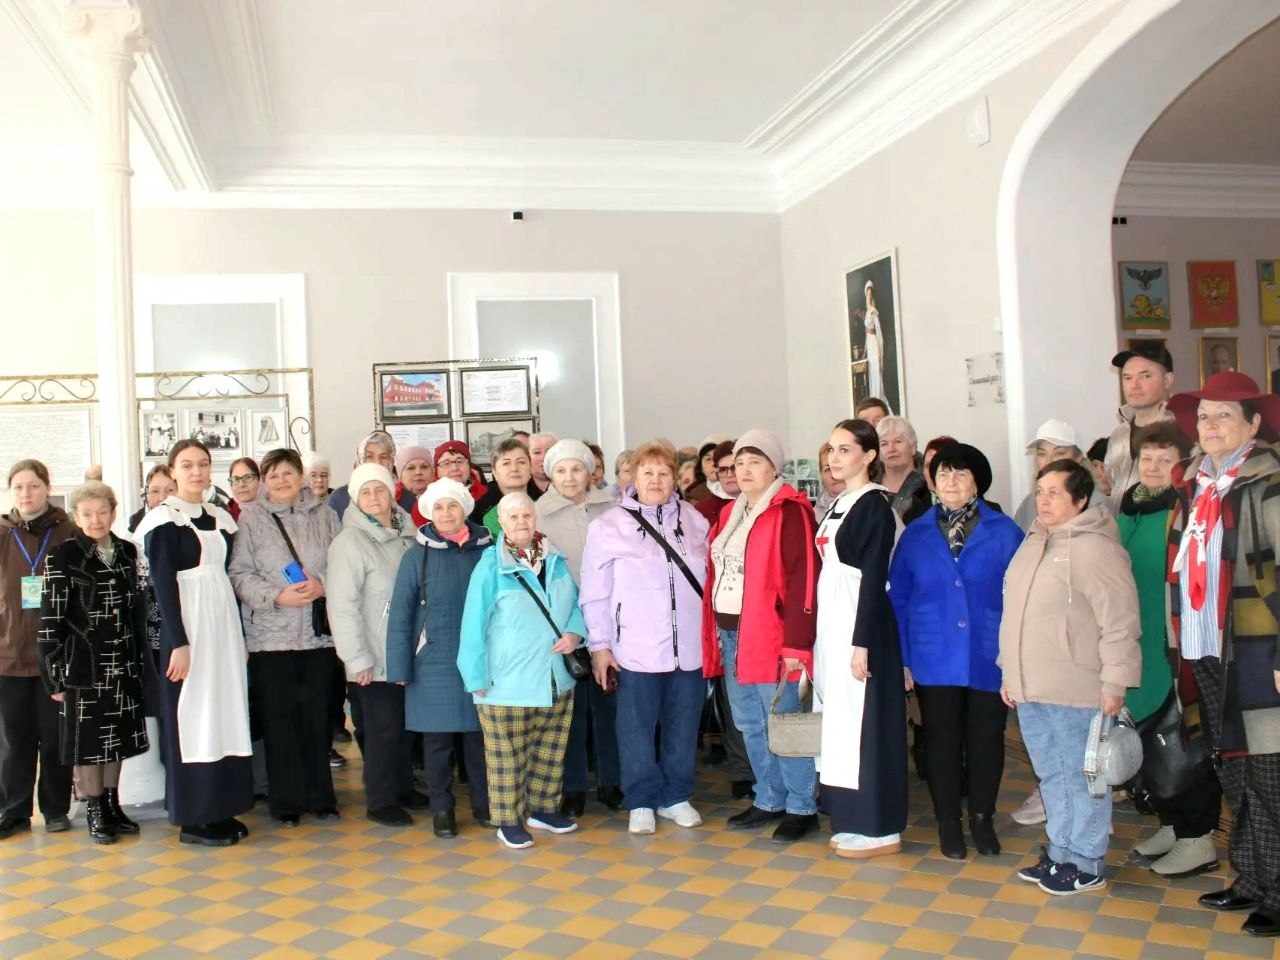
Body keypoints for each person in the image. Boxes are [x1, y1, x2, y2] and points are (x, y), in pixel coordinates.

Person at [1167, 372, 1280, 935]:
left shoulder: (1268, 482)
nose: (1210, 425)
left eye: (1225, 415)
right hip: (1204, 645)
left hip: (1257, 648)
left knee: (1270, 775)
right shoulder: (1194, 486)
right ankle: (1253, 878)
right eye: (1204, 415)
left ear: (1253, 424)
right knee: (1232, 769)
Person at [1000, 458, 1141, 896]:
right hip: (1032, 685)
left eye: (1055, 493)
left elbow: (1120, 622)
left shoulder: (1097, 549)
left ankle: (1086, 861)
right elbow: (1014, 616)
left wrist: (1115, 683)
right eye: (1040, 491)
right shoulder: (1033, 543)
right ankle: (1062, 851)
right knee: (1052, 775)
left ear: (1080, 500)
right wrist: (1009, 672)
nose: (1044, 501)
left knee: (1084, 778)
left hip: (1078, 688)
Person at [889, 442, 1023, 859]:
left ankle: (982, 818)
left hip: (988, 652)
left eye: (960, 473)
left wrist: (1016, 658)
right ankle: (948, 821)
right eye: (943, 473)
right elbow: (899, 597)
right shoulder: (916, 533)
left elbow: (1021, 598)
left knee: (986, 738)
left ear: (976, 483)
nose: (950, 481)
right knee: (941, 740)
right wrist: (904, 659)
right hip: (933, 654)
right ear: (932, 482)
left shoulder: (1005, 532)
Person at [579, 441, 708, 834]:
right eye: (647, 472)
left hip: (689, 648)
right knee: (635, 728)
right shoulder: (607, 526)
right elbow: (595, 592)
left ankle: (675, 795)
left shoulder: (695, 520)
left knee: (683, 725)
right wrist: (600, 646)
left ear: (676, 479)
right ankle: (640, 799)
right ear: (633, 477)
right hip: (634, 648)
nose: (656, 480)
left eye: (664, 473)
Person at [135, 440, 254, 847]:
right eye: (187, 465)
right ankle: (194, 817)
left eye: (203, 464)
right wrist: (178, 643)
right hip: (189, 627)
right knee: (194, 716)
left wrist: (240, 636)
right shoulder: (162, 521)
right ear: (172, 471)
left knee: (225, 710)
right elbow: (163, 586)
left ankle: (222, 806)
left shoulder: (221, 518)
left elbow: (229, 578)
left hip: (222, 625)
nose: (197, 472)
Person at [703, 430, 820, 844]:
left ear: (774, 468)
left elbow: (804, 578)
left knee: (783, 721)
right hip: (731, 632)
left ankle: (802, 805)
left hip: (770, 634)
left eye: (755, 462)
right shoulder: (732, 511)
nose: (745, 470)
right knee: (750, 723)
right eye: (739, 463)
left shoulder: (790, 511)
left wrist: (797, 642)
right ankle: (768, 796)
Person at [1117, 422, 1219, 878]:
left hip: (1171, 646)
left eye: (1165, 459)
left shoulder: (1187, 509)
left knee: (1180, 743)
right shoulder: (1130, 506)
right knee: (1150, 744)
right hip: (1133, 645)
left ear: (1184, 463)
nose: (1154, 467)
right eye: (1147, 459)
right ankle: (1173, 826)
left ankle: (1198, 839)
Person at [457, 493, 585, 849]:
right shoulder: (490, 566)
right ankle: (508, 821)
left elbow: (577, 605)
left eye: (527, 515)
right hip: (505, 680)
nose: (521, 522)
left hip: (554, 676)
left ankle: (543, 810)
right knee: (507, 758)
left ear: (535, 518)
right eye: (512, 517)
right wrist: (474, 676)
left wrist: (575, 633)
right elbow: (472, 624)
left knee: (550, 750)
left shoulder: (556, 559)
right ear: (501, 523)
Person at [228, 448, 342, 827]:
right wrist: (277, 596)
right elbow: (240, 574)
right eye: (273, 475)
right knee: (280, 723)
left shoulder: (325, 514)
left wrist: (322, 585)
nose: (281, 481)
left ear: (301, 477)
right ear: (264, 481)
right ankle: (286, 802)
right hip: (270, 638)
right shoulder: (251, 518)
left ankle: (321, 798)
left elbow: (344, 563)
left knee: (318, 720)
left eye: (288, 473)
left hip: (318, 636)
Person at [811, 420, 908, 859]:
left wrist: (861, 642)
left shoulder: (874, 506)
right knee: (840, 723)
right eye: (831, 449)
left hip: (861, 628)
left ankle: (879, 826)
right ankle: (852, 817)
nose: (835, 457)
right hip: (834, 625)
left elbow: (873, 579)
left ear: (869, 456)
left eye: (845, 449)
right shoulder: (840, 501)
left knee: (866, 726)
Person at [38, 482, 149, 844]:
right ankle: (95, 809)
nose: (96, 520)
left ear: (114, 512)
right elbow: (50, 620)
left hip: (123, 659)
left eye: (102, 512)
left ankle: (114, 805)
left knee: (117, 736)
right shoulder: (62, 556)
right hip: (83, 663)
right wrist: (53, 676)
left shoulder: (127, 552)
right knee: (88, 741)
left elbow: (136, 609)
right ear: (76, 517)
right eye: (87, 514)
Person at [387, 478, 493, 838]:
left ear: (465, 508)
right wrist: (399, 666)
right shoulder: (416, 556)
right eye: (439, 507)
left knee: (479, 739)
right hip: (432, 662)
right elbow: (400, 615)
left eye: (452, 505)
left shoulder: (489, 551)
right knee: (437, 743)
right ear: (429, 513)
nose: (446, 513)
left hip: (481, 659)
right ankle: (442, 810)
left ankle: (483, 804)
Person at [327, 463, 420, 827]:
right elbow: (342, 604)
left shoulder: (408, 532)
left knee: (404, 725)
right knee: (382, 730)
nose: (373, 497)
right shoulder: (349, 542)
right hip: (374, 653)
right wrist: (355, 658)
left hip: (407, 650)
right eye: (365, 492)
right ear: (355, 498)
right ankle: (381, 800)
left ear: (392, 492)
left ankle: (403, 787)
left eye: (379, 489)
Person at [535, 440, 621, 816]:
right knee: (570, 711)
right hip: (562, 626)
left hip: (610, 623)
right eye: (561, 470)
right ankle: (572, 787)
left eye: (576, 469)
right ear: (550, 475)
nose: (569, 477)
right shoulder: (537, 515)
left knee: (610, 705)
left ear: (590, 472)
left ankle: (612, 780)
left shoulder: (612, 508)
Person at [0, 460, 76, 839]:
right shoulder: (2, 533)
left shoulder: (68, 532)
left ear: (47, 487)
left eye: (33, 485)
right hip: (9, 654)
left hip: (55, 656)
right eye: (18, 487)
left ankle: (56, 809)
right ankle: (14, 811)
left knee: (55, 737)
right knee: (14, 741)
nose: (26, 493)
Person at [1104, 342, 1176, 509]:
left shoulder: (1180, 431)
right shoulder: (1118, 435)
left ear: (1167, 380)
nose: (1134, 385)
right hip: (1121, 524)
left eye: (1145, 376)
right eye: (1127, 377)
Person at [1012, 419, 1109, 532]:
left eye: (1059, 453)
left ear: (1078, 458)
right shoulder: (1028, 504)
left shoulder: (1097, 504)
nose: (1049, 461)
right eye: (1042, 454)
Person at [470, 439, 538, 536]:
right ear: (494, 472)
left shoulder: (543, 503)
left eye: (521, 462)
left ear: (530, 468)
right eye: (506, 463)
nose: (514, 468)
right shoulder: (478, 509)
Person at [329, 430, 397, 520]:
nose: (377, 462)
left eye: (383, 457)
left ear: (391, 461)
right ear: (359, 460)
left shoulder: (405, 497)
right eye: (369, 456)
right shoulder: (339, 498)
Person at [876, 416, 930, 523]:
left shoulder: (929, 484)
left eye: (898, 441)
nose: (891, 449)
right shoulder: (869, 485)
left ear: (913, 447)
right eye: (884, 444)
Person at [695, 440, 737, 528]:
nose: (729, 474)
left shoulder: (759, 502)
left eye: (734, 468)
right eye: (722, 469)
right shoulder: (700, 510)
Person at [433, 440, 489, 504]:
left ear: (469, 465)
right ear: (436, 470)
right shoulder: (427, 501)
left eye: (460, 461)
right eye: (446, 463)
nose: (454, 468)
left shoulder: (489, 497)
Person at [128, 465, 177, 533]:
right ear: (147, 493)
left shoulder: (189, 522)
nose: (162, 498)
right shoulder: (136, 524)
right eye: (155, 491)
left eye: (170, 490)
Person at [393, 446, 434, 520]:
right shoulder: (391, 504)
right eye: (411, 468)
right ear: (400, 475)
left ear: (432, 473)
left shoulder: (444, 499)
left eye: (424, 467)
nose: (418, 472)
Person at [862, 280, 884, 401]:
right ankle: (873, 396)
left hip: (874, 343)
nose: (869, 297)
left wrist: (879, 348)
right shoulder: (867, 312)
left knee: (876, 369)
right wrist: (864, 351)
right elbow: (867, 333)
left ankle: (878, 396)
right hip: (869, 343)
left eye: (870, 294)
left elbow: (878, 330)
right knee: (871, 370)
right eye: (867, 294)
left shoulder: (873, 310)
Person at [920, 435, 958, 500]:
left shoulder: (972, 503)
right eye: (928, 465)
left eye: (937, 465)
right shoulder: (915, 501)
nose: (931, 471)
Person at [224, 457, 261, 521]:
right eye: (236, 479)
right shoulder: (224, 515)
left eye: (248, 477)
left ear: (261, 480)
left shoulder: (275, 512)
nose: (241, 485)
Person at [814, 442, 845, 517]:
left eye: (839, 467)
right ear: (821, 475)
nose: (835, 475)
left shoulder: (869, 507)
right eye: (828, 469)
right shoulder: (811, 516)